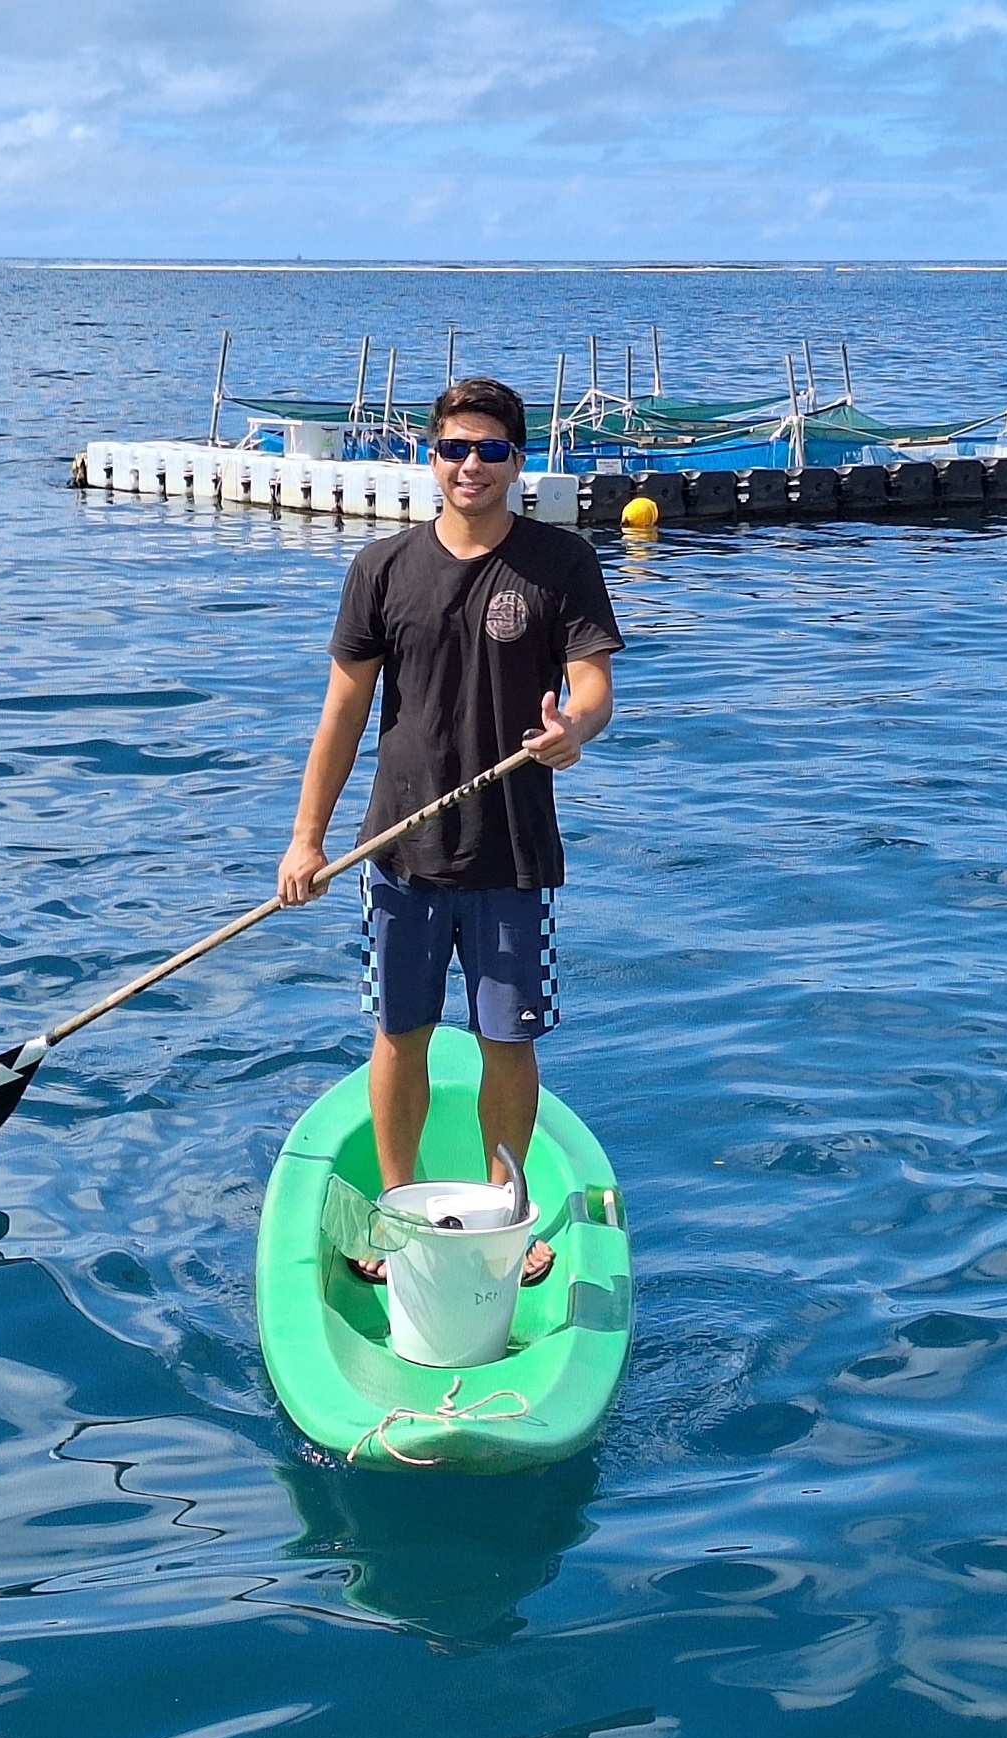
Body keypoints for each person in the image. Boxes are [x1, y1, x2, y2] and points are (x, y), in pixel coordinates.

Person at [278, 376, 622, 1284]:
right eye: (454, 448)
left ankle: (507, 1216)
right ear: (431, 458)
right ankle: (400, 1216)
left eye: (491, 449)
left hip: (511, 850)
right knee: (400, 1031)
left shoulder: (561, 563)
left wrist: (570, 733)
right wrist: (306, 838)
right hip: (398, 847)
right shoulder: (382, 570)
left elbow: (593, 689)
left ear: (518, 459)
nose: (471, 465)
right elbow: (342, 714)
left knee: (510, 1040)